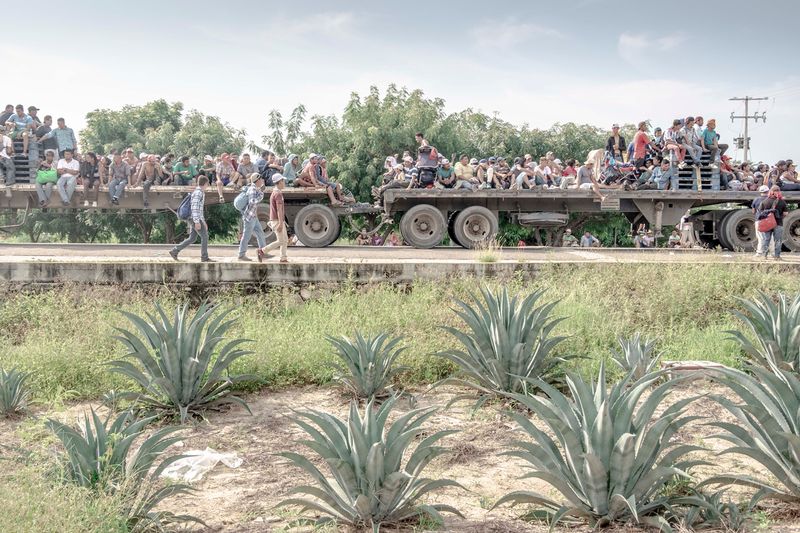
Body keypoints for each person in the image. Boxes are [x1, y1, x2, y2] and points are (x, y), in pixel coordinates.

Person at [170, 176, 211, 262]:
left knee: (192, 238)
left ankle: (174, 251)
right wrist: (197, 222)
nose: (208, 185)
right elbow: (195, 208)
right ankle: (204, 257)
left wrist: (203, 221)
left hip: (193, 217)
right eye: (208, 184)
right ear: (205, 183)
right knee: (205, 236)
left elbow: (199, 209)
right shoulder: (199, 193)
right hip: (194, 218)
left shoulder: (198, 192)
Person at [237, 173, 269, 262]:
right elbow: (252, 202)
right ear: (258, 180)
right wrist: (261, 196)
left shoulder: (255, 188)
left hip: (253, 217)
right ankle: (241, 255)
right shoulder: (252, 189)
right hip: (249, 217)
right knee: (246, 236)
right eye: (261, 179)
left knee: (260, 233)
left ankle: (263, 252)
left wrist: (260, 191)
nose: (262, 180)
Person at [261, 173, 288, 262]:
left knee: (285, 240)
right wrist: (280, 222)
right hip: (277, 220)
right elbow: (279, 210)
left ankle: (283, 258)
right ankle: (262, 251)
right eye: (283, 181)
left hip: (277, 220)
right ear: (279, 182)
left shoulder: (275, 192)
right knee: (281, 241)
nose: (284, 183)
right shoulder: (278, 194)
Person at [756, 186, 788, 260]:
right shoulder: (782, 202)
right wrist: (780, 218)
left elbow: (759, 213)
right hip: (778, 223)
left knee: (766, 239)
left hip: (767, 223)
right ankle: (777, 256)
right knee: (778, 240)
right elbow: (785, 213)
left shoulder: (764, 201)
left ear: (770, 192)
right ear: (779, 192)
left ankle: (764, 256)